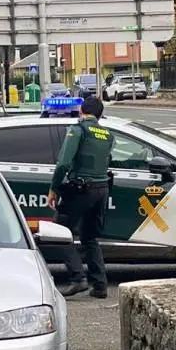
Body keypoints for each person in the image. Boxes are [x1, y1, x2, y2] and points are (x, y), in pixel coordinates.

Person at [47, 96, 114, 299]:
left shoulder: (78, 130)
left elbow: (64, 163)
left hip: (81, 189)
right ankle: (100, 285)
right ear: (100, 115)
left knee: (59, 232)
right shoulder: (108, 134)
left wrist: (54, 188)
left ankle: (77, 278)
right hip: (102, 189)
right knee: (90, 237)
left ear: (81, 111)